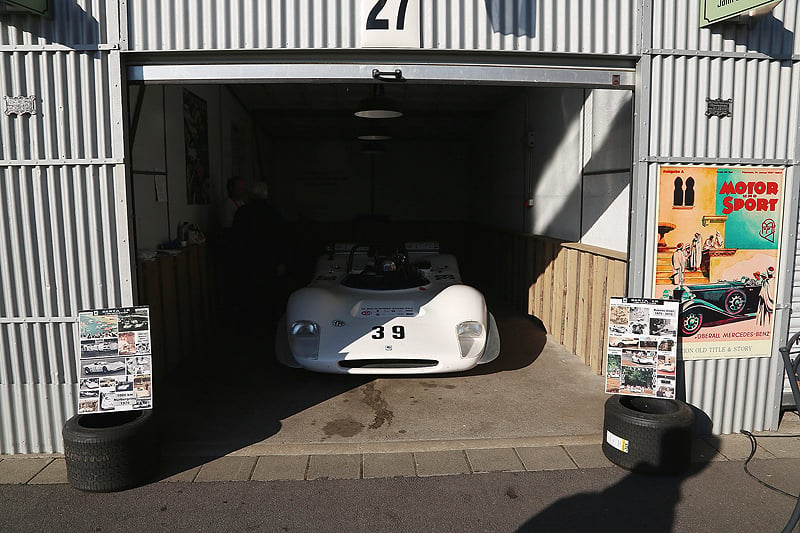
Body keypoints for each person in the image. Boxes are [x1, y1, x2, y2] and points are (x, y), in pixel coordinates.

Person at [231, 181, 286, 325]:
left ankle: (250, 325)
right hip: (269, 262)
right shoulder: (274, 213)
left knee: (249, 296)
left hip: (247, 262)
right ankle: (267, 325)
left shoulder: (242, 212)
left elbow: (236, 239)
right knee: (268, 296)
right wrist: (280, 262)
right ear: (266, 195)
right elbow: (280, 240)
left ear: (251, 195)